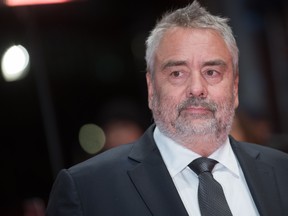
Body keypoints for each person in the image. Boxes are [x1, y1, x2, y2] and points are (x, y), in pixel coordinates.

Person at [46, 1, 288, 216]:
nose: (196, 88)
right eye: (177, 73)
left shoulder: (282, 171)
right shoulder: (88, 190)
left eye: (211, 72)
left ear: (234, 88)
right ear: (152, 89)